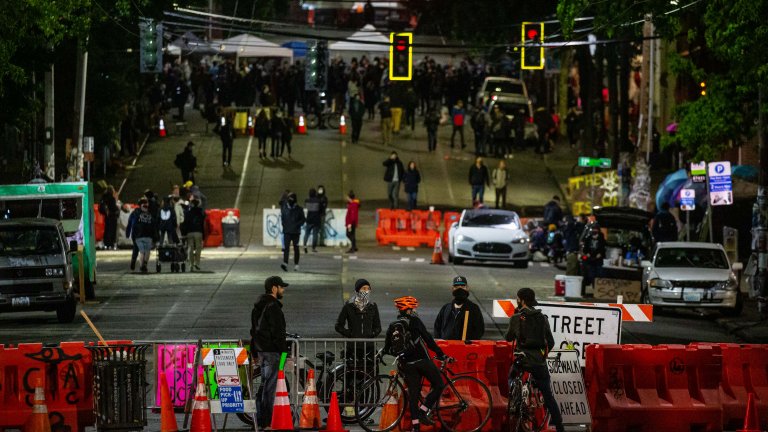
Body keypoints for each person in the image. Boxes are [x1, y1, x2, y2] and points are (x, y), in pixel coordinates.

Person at [381, 296, 451, 431]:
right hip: (422, 361)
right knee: (439, 385)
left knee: (413, 396)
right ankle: (423, 411)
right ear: (408, 310)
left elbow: (388, 347)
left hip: (407, 364)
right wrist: (440, 354)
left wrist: (386, 354)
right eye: (411, 309)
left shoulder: (393, 325)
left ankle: (416, 427)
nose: (413, 311)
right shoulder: (415, 322)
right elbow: (428, 339)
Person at [505, 288, 565, 432]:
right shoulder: (542, 318)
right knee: (548, 396)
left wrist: (514, 319)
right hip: (539, 362)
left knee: (511, 377)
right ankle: (560, 427)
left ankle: (515, 402)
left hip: (522, 360)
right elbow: (550, 342)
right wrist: (542, 355)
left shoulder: (516, 318)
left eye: (518, 299)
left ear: (522, 301)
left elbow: (508, 338)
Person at [250, 276, 290, 430]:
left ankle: (260, 419)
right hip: (273, 352)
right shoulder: (273, 307)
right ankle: (267, 421)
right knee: (270, 387)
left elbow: (254, 331)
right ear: (274, 288)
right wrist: (284, 353)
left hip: (261, 350)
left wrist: (254, 352)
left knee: (264, 385)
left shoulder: (258, 307)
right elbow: (278, 333)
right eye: (281, 287)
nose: (283, 290)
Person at [335, 279, 382, 368]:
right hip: (353, 347)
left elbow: (378, 327)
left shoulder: (373, 306)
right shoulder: (349, 306)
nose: (366, 291)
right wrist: (351, 334)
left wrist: (372, 334)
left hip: (369, 347)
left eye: (368, 289)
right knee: (351, 374)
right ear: (357, 290)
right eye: (363, 288)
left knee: (371, 374)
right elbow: (338, 325)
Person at [433, 276, 485, 341]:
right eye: (457, 287)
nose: (460, 289)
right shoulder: (446, 308)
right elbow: (437, 327)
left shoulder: (473, 308)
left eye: (462, 286)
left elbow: (479, 329)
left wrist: (469, 344)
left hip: (465, 348)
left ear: (467, 288)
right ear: (452, 289)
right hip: (446, 347)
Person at [281, 192, 305, 272]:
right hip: (287, 232)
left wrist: (297, 225)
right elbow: (283, 219)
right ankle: (285, 263)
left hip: (295, 232)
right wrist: (285, 226)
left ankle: (296, 264)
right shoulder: (285, 208)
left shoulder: (299, 209)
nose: (290, 201)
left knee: (296, 248)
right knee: (286, 248)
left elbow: (303, 220)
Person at [132, 198, 157, 273]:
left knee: (142, 252)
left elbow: (134, 225)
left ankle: (141, 266)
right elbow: (153, 227)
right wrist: (154, 237)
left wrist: (134, 236)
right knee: (147, 251)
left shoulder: (137, 214)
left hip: (139, 237)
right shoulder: (150, 216)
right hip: (148, 236)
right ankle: (145, 264)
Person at [184, 198, 206, 271]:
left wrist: (185, 232)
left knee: (190, 247)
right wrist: (204, 235)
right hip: (198, 232)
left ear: (192, 204)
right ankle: (197, 263)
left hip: (190, 232)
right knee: (198, 248)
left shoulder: (188, 212)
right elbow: (203, 224)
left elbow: (185, 223)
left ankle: (191, 265)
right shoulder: (201, 212)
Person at [582, 225, 606, 290]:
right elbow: (585, 249)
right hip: (590, 260)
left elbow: (603, 249)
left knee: (599, 275)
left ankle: (599, 289)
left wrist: (600, 254)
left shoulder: (601, 239)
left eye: (596, 230)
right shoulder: (588, 238)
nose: (594, 232)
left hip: (598, 260)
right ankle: (595, 289)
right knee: (591, 275)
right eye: (593, 230)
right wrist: (587, 254)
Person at [99, 185, 119, 250]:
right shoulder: (111, 198)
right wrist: (117, 209)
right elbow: (114, 207)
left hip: (107, 217)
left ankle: (106, 244)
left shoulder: (104, 197)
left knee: (107, 230)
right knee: (112, 230)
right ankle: (111, 244)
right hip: (112, 216)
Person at [303, 188, 322, 253]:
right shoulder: (318, 201)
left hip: (309, 219)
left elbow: (305, 206)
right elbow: (321, 209)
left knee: (307, 233)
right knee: (315, 234)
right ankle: (313, 248)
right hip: (316, 219)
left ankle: (305, 246)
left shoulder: (307, 200)